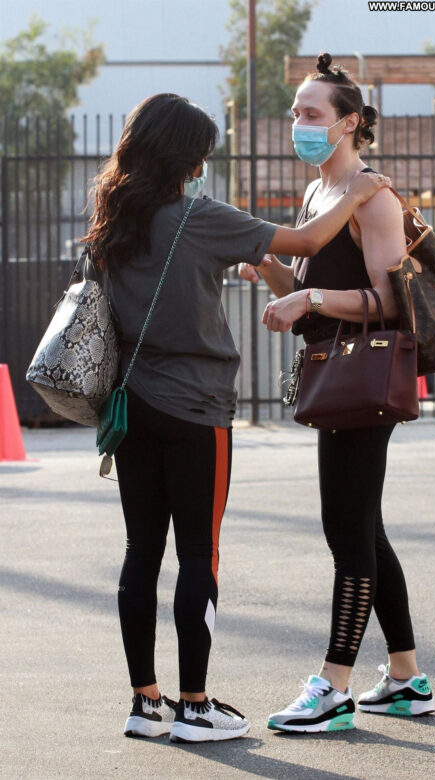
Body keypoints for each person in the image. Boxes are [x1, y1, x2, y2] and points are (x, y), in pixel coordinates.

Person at [83, 92, 389, 743]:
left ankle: (145, 704)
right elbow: (308, 239)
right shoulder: (199, 216)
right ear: (186, 158)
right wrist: (359, 193)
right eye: (200, 154)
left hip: (131, 406)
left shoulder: (112, 219)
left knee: (141, 551)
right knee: (199, 551)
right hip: (197, 408)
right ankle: (196, 708)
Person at [239, 53, 435, 733]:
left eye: (311, 113)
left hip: (365, 377)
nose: (298, 122)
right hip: (335, 371)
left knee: (345, 532)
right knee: (364, 530)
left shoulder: (371, 195)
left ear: (349, 122)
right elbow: (305, 299)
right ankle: (407, 680)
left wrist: (312, 297)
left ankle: (333, 688)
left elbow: (390, 298)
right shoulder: (318, 194)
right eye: (296, 111)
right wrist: (272, 271)